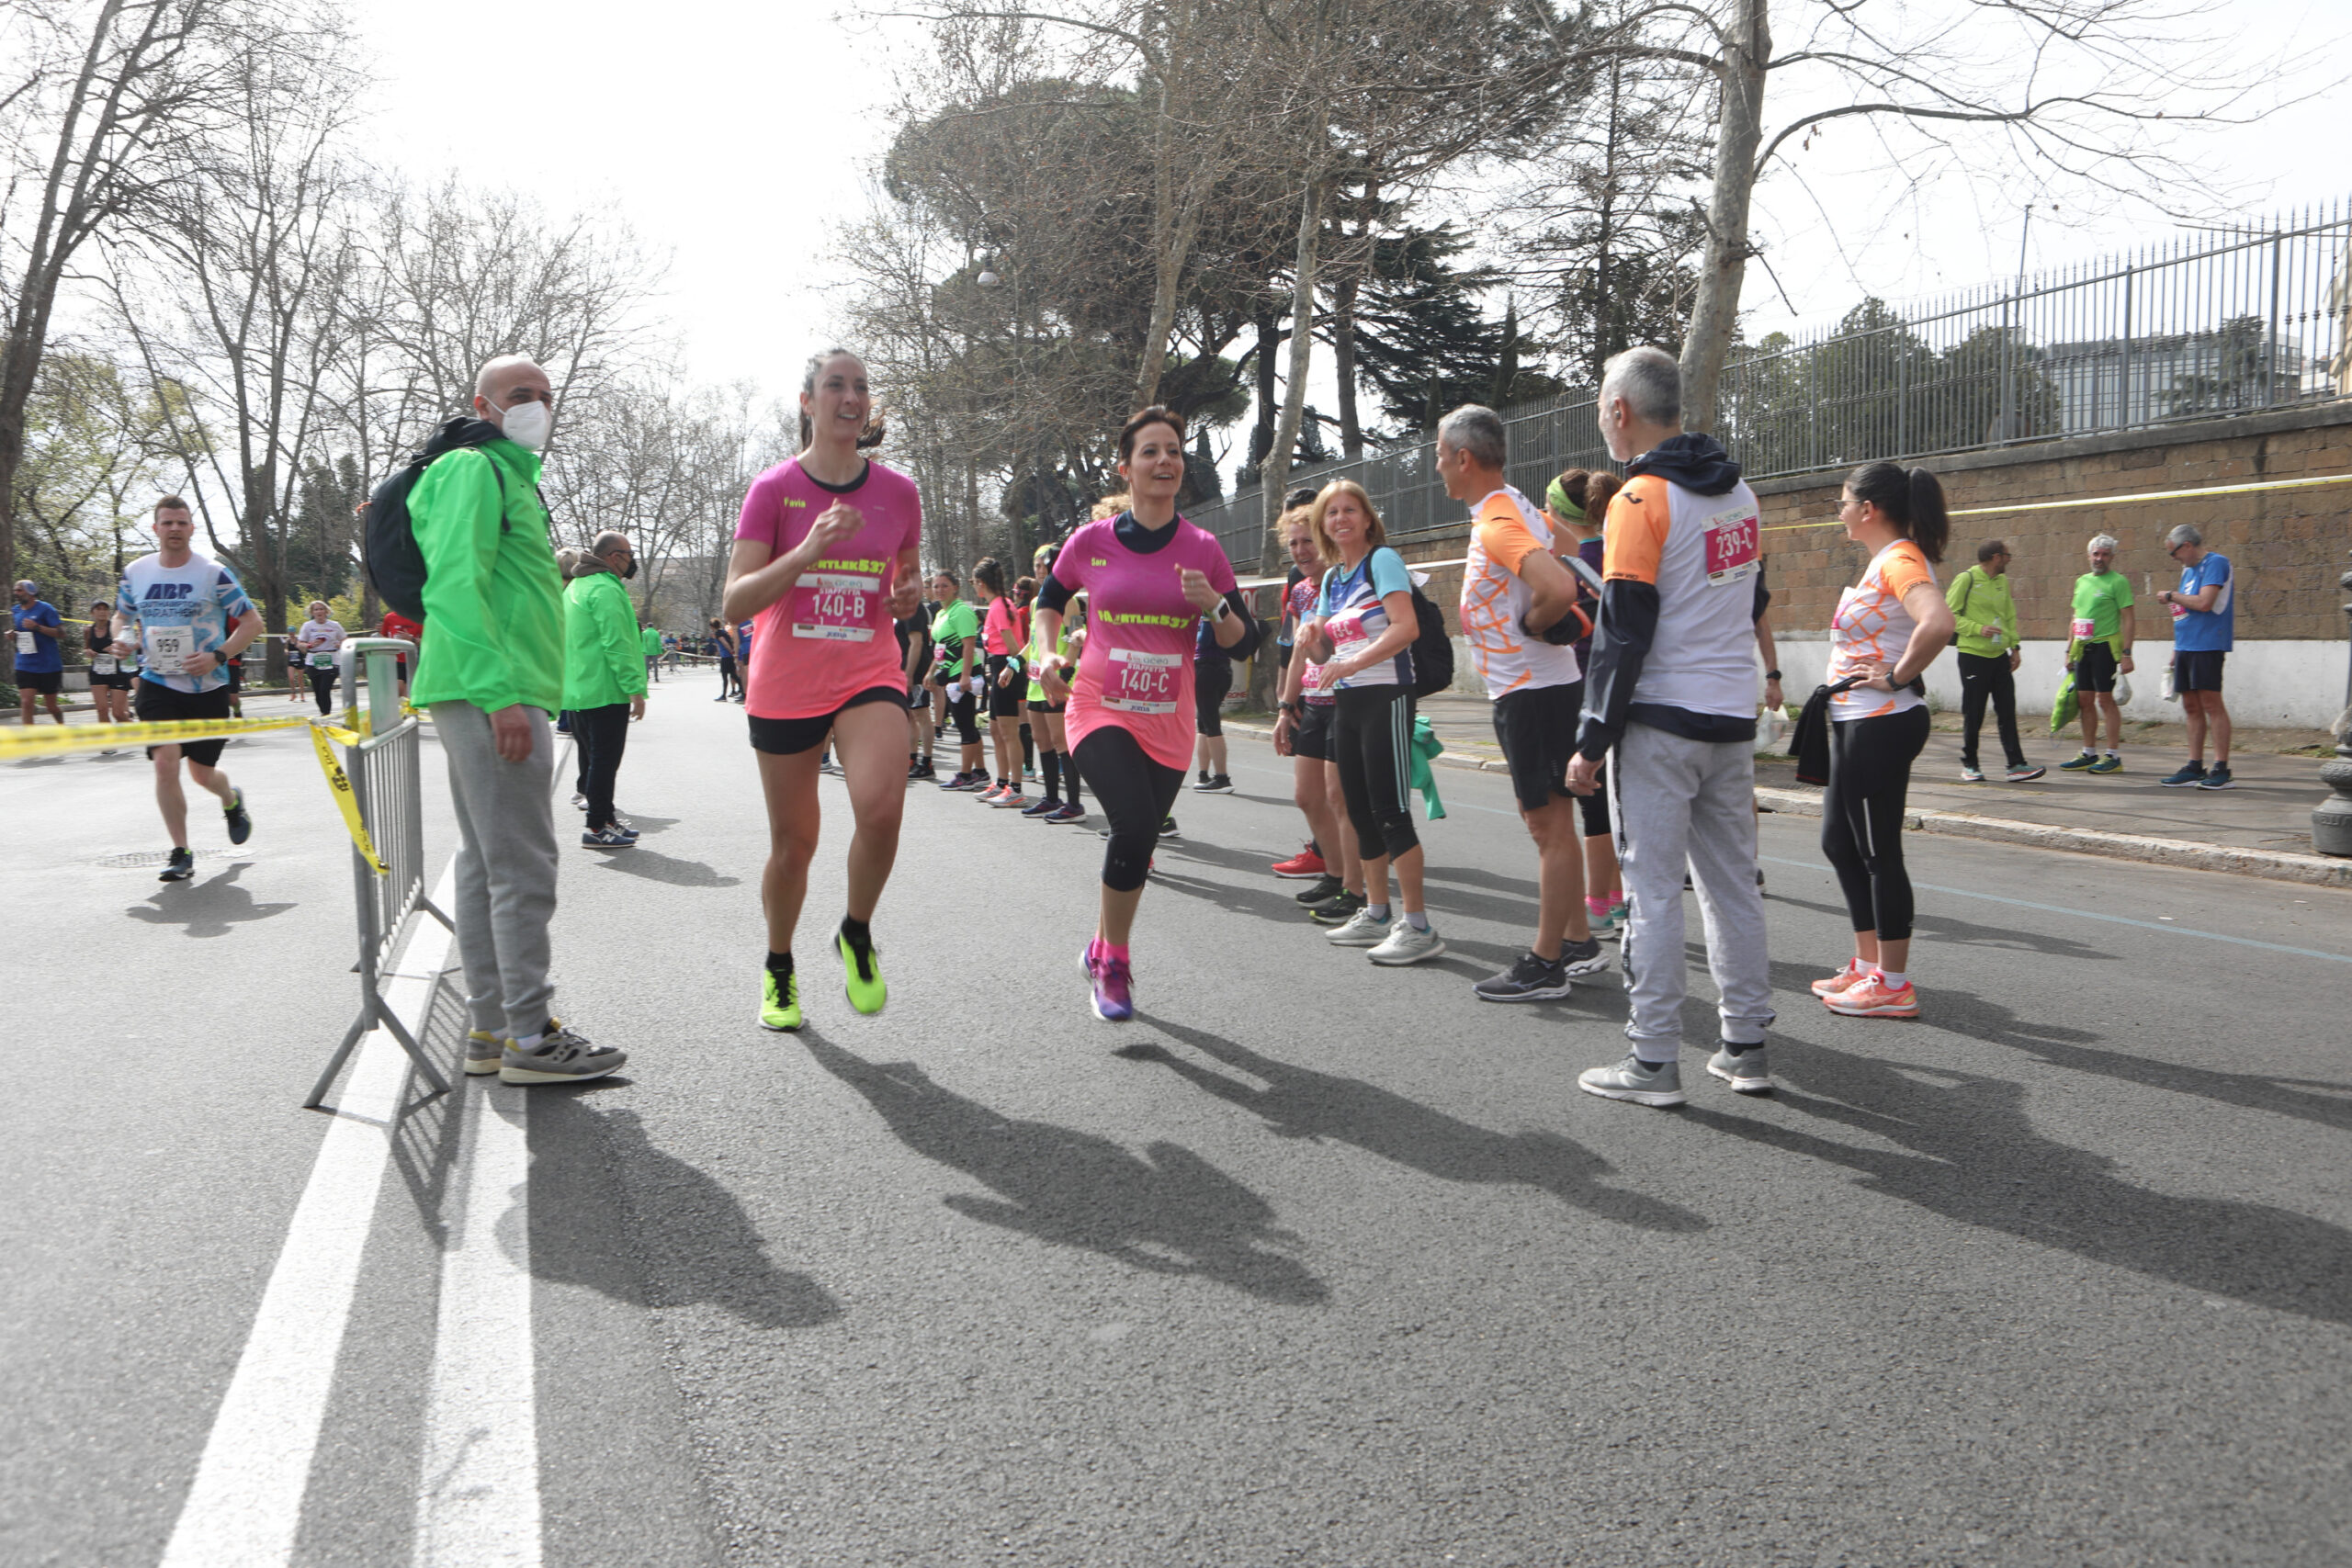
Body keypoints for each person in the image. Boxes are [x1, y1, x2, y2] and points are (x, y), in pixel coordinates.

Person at [1566, 346, 1773, 1107]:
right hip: (1729, 717)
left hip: (1659, 722)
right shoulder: (1740, 495)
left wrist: (1591, 740)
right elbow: (1754, 600)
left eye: (1599, 406)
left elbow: (1623, 632)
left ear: (1621, 410)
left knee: (1651, 891)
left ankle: (1652, 1059)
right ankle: (1745, 1046)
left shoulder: (1638, 500)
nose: (1600, 418)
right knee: (1733, 887)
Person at [411, 354, 625, 1086]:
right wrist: (500, 694)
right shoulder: (476, 469)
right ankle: (529, 1039)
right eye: (518, 395)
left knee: (487, 867)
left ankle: (494, 1028)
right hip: (490, 691)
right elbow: (454, 584)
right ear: (483, 403)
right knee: (523, 867)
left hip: (489, 687)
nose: (535, 405)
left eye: (543, 395)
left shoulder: (506, 474)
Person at [1035, 405, 1257, 1020]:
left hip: (1169, 717)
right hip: (1098, 704)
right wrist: (1046, 653)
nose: (1166, 461)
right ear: (1126, 468)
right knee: (1133, 825)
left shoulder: (1204, 548)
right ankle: (1117, 962)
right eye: (1152, 451)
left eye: (1175, 451)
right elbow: (1049, 600)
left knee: (1138, 836)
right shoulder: (1092, 541)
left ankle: (1102, 944)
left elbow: (1245, 641)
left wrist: (1214, 605)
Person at [724, 347, 922, 1032]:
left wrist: (907, 596)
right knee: (794, 846)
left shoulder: (899, 493)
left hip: (868, 669)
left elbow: (905, 575)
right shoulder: (774, 489)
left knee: (882, 809)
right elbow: (735, 603)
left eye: (861, 386)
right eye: (835, 384)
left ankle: (856, 930)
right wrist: (807, 550)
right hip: (786, 683)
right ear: (807, 402)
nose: (851, 396)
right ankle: (779, 964)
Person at [1442, 405, 1608, 1001]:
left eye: (1441, 455)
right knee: (1554, 823)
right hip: (1541, 687)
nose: (1437, 467)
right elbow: (1576, 552)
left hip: (1532, 691)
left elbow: (1563, 583)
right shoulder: (1517, 505)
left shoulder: (1497, 520)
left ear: (1464, 458)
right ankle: (1579, 940)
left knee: (1548, 827)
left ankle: (1545, 963)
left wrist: (1541, 621)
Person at [1810, 462, 1956, 1021]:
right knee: (1839, 843)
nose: (1840, 510)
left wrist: (1896, 676)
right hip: (1855, 717)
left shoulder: (1899, 558)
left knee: (1878, 852)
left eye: (1844, 501)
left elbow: (1938, 624)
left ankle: (1893, 984)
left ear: (1868, 509)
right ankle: (1869, 965)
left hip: (1882, 719)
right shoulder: (1885, 560)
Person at [1295, 479, 1442, 966]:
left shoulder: (1383, 561)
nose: (1341, 519)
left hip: (1387, 696)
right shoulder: (1334, 579)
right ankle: (1377, 912)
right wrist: (1308, 637)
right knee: (1358, 812)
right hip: (1347, 700)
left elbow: (1406, 628)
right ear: (1323, 525)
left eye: (1350, 510)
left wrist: (1352, 665)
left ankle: (1418, 926)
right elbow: (1324, 650)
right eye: (1332, 513)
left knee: (1390, 812)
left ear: (1366, 517)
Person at [108, 499, 259, 882]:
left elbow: (252, 622)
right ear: (155, 528)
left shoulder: (213, 574)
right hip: (158, 684)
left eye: (181, 522)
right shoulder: (136, 572)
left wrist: (218, 655)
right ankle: (181, 851)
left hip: (207, 688)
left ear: (192, 528)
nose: (174, 528)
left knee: (202, 774)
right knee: (165, 762)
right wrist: (122, 638)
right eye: (167, 522)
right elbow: (122, 615)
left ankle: (232, 800)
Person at [1542, 469, 1628, 937]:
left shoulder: (1571, 563)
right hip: (1619, 687)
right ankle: (1614, 899)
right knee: (1612, 799)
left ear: (1558, 513)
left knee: (1591, 799)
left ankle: (1599, 903)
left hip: (1582, 689)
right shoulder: (1616, 553)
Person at [1272, 508, 1352, 909]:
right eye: (1294, 544)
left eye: (1307, 541)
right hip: (1313, 702)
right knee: (1307, 796)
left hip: (1348, 701)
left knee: (1341, 799)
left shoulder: (1347, 581)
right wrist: (1285, 708)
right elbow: (1301, 654)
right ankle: (1334, 874)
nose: (1301, 551)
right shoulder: (1303, 590)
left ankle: (1354, 887)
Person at [563, 530, 649, 848]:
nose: (632, 560)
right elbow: (617, 645)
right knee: (605, 761)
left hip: (578, 691)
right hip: (604, 690)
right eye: (628, 553)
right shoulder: (605, 589)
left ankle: (606, 817)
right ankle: (597, 826)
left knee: (598, 759)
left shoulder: (576, 587)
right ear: (614, 557)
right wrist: (635, 690)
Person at [1947, 539, 2043, 782]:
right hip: (1972, 656)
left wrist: (2015, 647)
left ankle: (2016, 765)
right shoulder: (1966, 579)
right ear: (1996, 557)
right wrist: (1978, 628)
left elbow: (2009, 616)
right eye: (2007, 556)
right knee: (1974, 713)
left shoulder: (2002, 582)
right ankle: (1969, 765)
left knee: (2007, 711)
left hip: (1999, 657)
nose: (2009, 561)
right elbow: (1949, 616)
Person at [2154, 523, 2235, 790]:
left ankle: (2221, 768)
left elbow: (2204, 602)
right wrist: (2176, 651)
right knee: (2191, 706)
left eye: (2173, 553)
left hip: (2208, 644)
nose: (2174, 558)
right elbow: (2184, 612)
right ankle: (2194, 765)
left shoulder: (2216, 563)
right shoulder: (2187, 571)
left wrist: (2171, 595)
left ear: (2187, 545)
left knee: (2212, 704)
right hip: (2187, 645)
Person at [1020, 541, 1087, 821]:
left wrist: (1066, 672)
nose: (1038, 570)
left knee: (1061, 743)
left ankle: (1074, 805)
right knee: (1041, 740)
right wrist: (1013, 664)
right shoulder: (1037, 602)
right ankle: (1050, 798)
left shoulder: (1068, 601)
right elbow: (1032, 643)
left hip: (1057, 680)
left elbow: (1076, 636)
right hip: (1036, 681)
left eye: (1042, 565)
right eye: (1035, 565)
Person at [2059, 533, 2133, 774]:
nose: (2099, 558)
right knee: (2084, 701)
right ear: (2089, 555)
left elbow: (2129, 618)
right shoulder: (2081, 581)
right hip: (2082, 647)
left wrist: (2127, 653)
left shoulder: (2118, 582)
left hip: (2105, 648)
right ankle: (2089, 752)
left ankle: (2113, 755)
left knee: (2105, 700)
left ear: (2111, 557)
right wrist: (2069, 649)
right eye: (2096, 554)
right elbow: (2074, 617)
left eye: (2104, 554)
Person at [975, 557, 1028, 807]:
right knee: (996, 730)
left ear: (982, 583)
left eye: (975, 583)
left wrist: (1010, 669)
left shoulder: (998, 606)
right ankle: (1002, 781)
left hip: (1005, 668)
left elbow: (1014, 648)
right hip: (998, 667)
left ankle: (1015, 788)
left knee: (1008, 732)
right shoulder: (1001, 603)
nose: (975, 588)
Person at [928, 570, 987, 789]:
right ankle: (980, 771)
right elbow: (940, 649)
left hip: (963, 675)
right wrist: (931, 671)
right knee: (967, 724)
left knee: (964, 725)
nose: (939, 590)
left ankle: (966, 774)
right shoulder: (941, 613)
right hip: (949, 673)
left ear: (955, 587)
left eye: (944, 585)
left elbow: (969, 645)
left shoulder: (960, 611)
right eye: (936, 586)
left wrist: (965, 677)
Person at [892, 578, 936, 779]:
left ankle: (926, 762)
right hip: (903, 669)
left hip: (916, 671)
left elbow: (916, 643)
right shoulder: (902, 608)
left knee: (921, 716)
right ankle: (912, 759)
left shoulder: (913, 608)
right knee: (909, 716)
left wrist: (909, 675)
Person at [12, 580, 66, 726]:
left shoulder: (46, 609)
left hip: (48, 665)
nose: (16, 593)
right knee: (26, 701)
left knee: (51, 706)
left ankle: (62, 727)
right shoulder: (15, 611)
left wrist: (37, 627)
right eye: (15, 590)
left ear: (31, 592)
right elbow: (22, 636)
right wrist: (13, 636)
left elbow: (62, 633)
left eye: (20, 590)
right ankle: (30, 740)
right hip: (25, 664)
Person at [289, 600, 346, 716]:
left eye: (321, 609)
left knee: (325, 689)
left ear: (326, 611)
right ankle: (323, 712)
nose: (319, 611)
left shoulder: (335, 625)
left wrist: (340, 644)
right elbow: (300, 643)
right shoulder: (307, 626)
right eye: (316, 609)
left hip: (331, 660)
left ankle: (326, 714)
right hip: (313, 661)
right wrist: (309, 645)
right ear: (312, 612)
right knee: (317, 691)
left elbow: (345, 640)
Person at [85, 599, 132, 735]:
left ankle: (135, 730)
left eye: (105, 609)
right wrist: (88, 652)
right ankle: (108, 742)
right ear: (92, 613)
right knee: (101, 709)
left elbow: (129, 648)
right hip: (98, 672)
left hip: (118, 673)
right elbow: (87, 648)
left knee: (117, 713)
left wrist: (117, 648)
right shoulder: (88, 630)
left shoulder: (116, 628)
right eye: (98, 609)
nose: (102, 612)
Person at [379, 606, 423, 701]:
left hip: (411, 661)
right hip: (395, 660)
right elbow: (383, 636)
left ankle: (404, 714)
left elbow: (426, 641)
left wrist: (412, 639)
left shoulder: (417, 619)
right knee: (398, 689)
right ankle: (394, 712)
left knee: (406, 696)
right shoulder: (389, 617)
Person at [711, 615, 741, 701]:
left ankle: (724, 695)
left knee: (726, 676)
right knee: (734, 676)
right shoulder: (723, 632)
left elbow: (725, 643)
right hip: (728, 657)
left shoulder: (718, 634)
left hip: (726, 657)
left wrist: (731, 651)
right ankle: (743, 691)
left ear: (713, 626)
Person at [640, 618, 664, 683]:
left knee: (646, 665)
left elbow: (643, 643)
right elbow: (658, 643)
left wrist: (643, 650)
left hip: (647, 651)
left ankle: (647, 677)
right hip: (654, 651)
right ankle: (656, 678)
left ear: (647, 626)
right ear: (653, 626)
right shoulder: (656, 633)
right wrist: (660, 652)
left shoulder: (644, 633)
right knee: (655, 665)